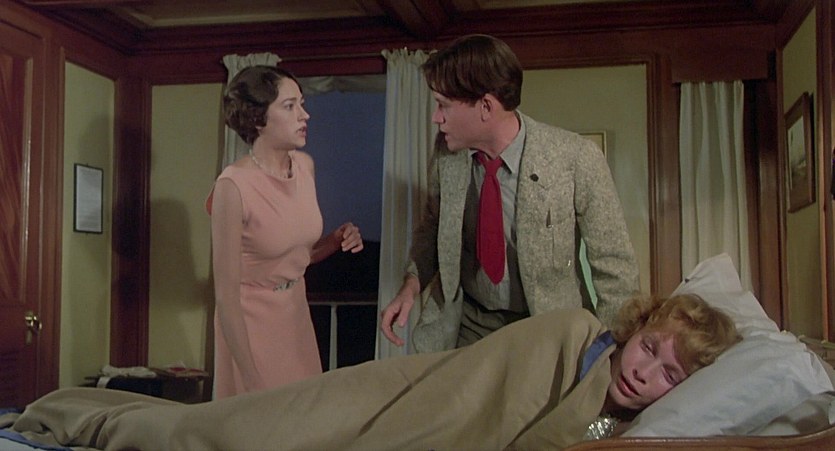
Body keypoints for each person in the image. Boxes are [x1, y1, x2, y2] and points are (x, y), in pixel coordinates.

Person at [7, 293, 740, 450]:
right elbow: (470, 395)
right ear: (637, 328)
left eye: (669, 374)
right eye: (650, 348)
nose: (646, 371)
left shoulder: (625, 427)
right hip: (393, 399)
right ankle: (71, 411)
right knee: (219, 432)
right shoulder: (575, 332)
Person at [381, 34, 640, 352]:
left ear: (486, 107)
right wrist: (411, 285)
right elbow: (433, 229)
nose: (436, 118)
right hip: (469, 325)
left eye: (443, 105)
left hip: (545, 329)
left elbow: (615, 269)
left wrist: (608, 351)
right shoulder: (446, 155)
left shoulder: (575, 158)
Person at [207, 65, 364, 398]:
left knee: (304, 416)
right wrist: (249, 377)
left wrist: (335, 239)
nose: (305, 115)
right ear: (258, 119)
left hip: (294, 316)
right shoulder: (233, 187)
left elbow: (296, 255)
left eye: (302, 104)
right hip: (248, 325)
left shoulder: (305, 167)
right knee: (261, 422)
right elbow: (226, 296)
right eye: (290, 106)